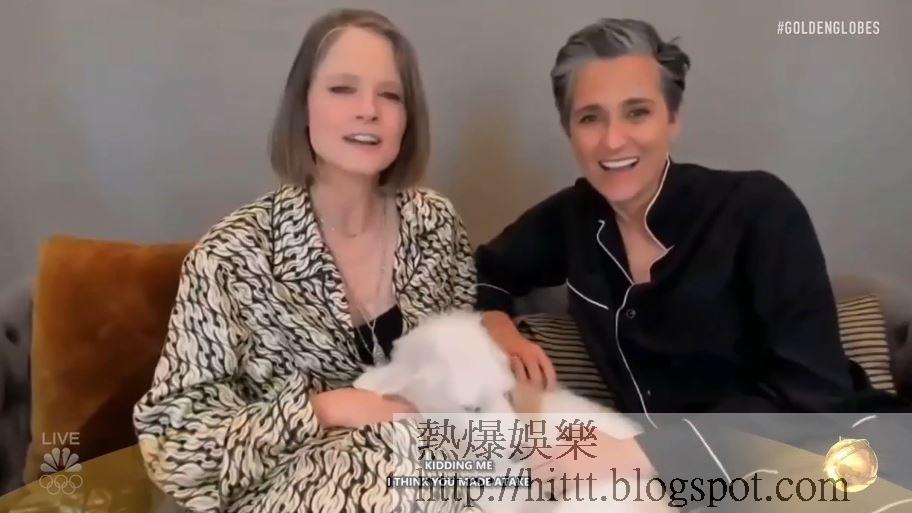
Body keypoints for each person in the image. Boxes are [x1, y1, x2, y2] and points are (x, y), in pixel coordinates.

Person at [474, 17, 910, 503]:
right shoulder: (572, 219)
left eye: (637, 112)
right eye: (590, 118)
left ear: (673, 118)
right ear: (569, 130)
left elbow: (812, 393)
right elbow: (480, 273)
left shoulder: (759, 208)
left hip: (838, 457)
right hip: (692, 489)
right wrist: (502, 331)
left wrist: (642, 453)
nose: (613, 140)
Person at [133, 9, 474, 513]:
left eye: (390, 95)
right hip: (306, 488)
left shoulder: (435, 224)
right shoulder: (230, 257)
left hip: (441, 470)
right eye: (342, 89)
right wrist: (325, 409)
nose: (368, 110)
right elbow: (176, 445)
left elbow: (465, 368)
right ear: (303, 106)